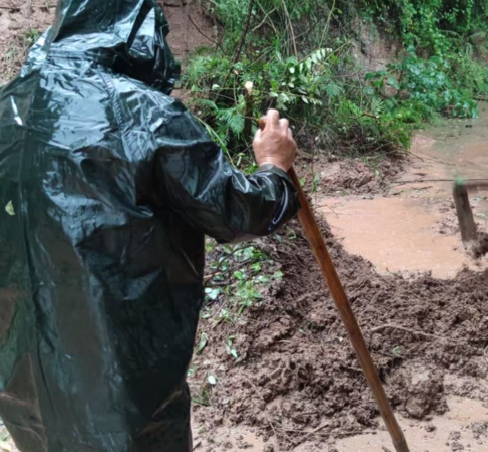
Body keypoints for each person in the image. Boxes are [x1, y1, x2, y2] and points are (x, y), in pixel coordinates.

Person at [0, 1, 299, 451]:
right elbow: (238, 212)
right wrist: (274, 166)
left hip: (27, 388)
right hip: (125, 387)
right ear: (133, 31)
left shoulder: (8, 108)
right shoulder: (144, 115)